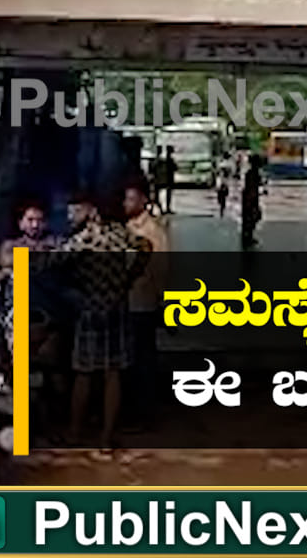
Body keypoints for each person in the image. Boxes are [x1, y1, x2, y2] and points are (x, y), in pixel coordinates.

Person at [60, 192, 151, 455]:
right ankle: (106, 437)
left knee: (84, 372)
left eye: (76, 210)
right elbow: (146, 247)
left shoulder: (85, 237)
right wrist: (130, 278)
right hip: (117, 307)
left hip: (91, 310)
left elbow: (57, 260)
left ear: (92, 211)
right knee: (113, 374)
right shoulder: (120, 234)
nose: (71, 216)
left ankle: (74, 432)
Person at [122, 174, 168, 432]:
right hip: (127, 302)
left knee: (143, 359)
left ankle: (145, 412)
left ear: (144, 200)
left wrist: (160, 301)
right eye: (125, 198)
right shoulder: (126, 228)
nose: (126, 203)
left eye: (131, 199)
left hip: (142, 302)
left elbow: (161, 270)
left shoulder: (152, 232)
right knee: (133, 358)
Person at [241, 154, 264, 249]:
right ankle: (247, 238)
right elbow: (252, 187)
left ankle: (247, 237)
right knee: (252, 217)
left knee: (250, 218)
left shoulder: (251, 172)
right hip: (250, 199)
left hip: (249, 198)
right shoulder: (253, 173)